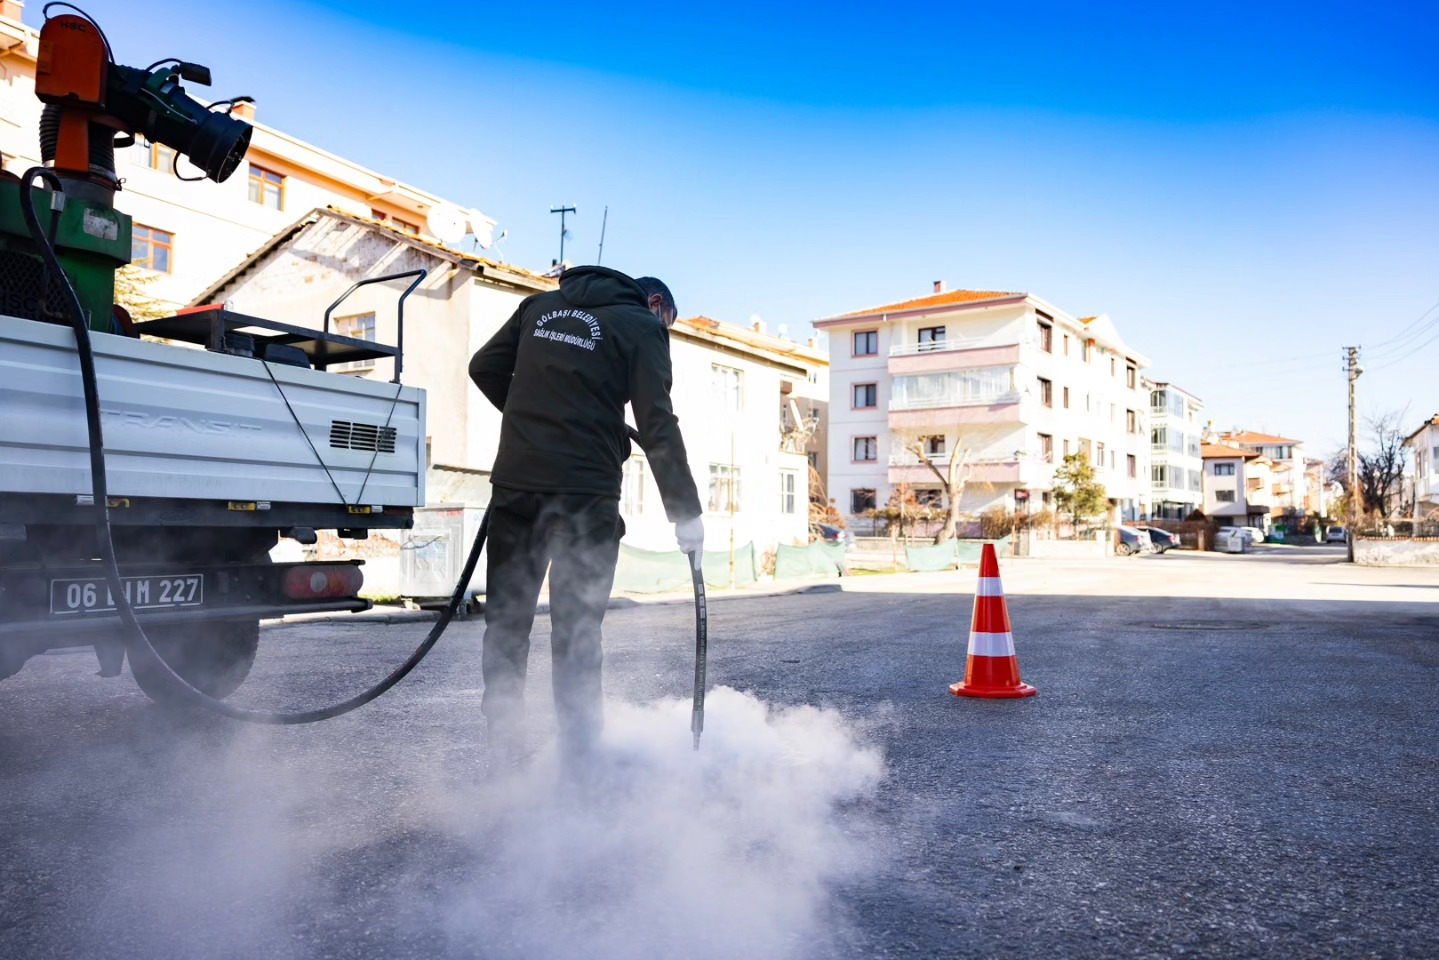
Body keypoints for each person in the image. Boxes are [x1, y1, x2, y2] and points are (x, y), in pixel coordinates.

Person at [468, 266, 704, 759]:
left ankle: (503, 754)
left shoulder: (539, 308)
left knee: (507, 623)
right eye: (670, 325)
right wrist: (685, 512)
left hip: (516, 486)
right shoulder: (642, 327)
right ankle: (580, 767)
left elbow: (483, 367)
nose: (666, 334)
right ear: (656, 305)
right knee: (575, 630)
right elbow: (656, 421)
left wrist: (540, 419)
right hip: (585, 494)